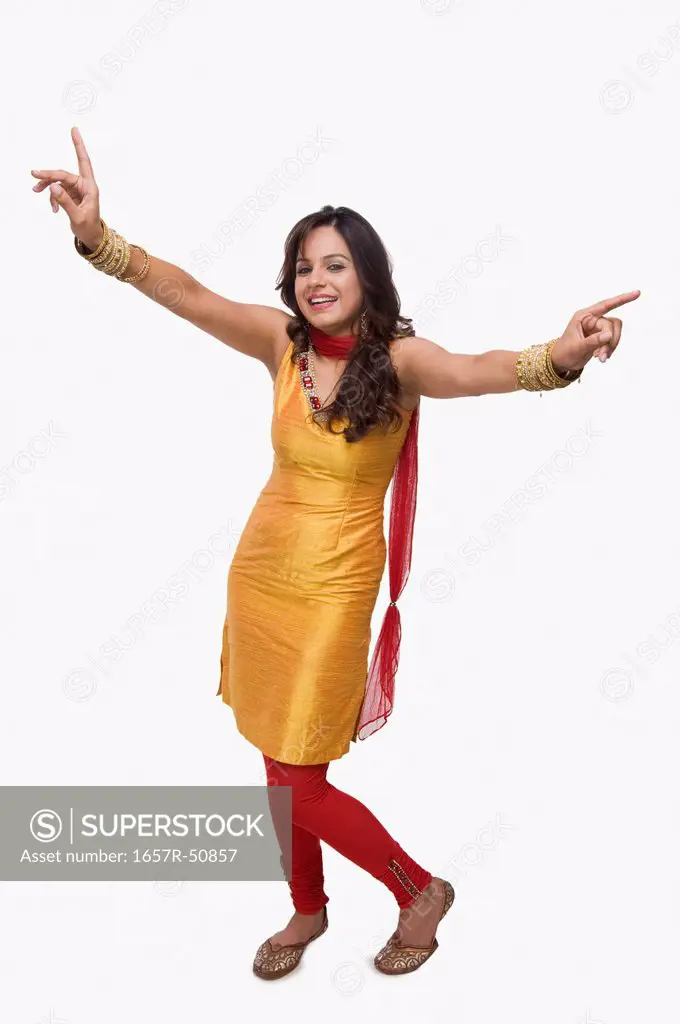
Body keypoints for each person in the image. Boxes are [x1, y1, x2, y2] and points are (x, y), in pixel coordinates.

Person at [31, 126, 640, 980]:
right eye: (305, 266)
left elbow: (479, 368)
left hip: (334, 587)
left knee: (302, 771)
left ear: (368, 277)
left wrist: (563, 353)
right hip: (263, 578)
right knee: (275, 759)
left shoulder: (400, 359)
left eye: (336, 265)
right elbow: (189, 293)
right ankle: (308, 910)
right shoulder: (283, 347)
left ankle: (417, 888)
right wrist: (98, 237)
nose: (317, 280)